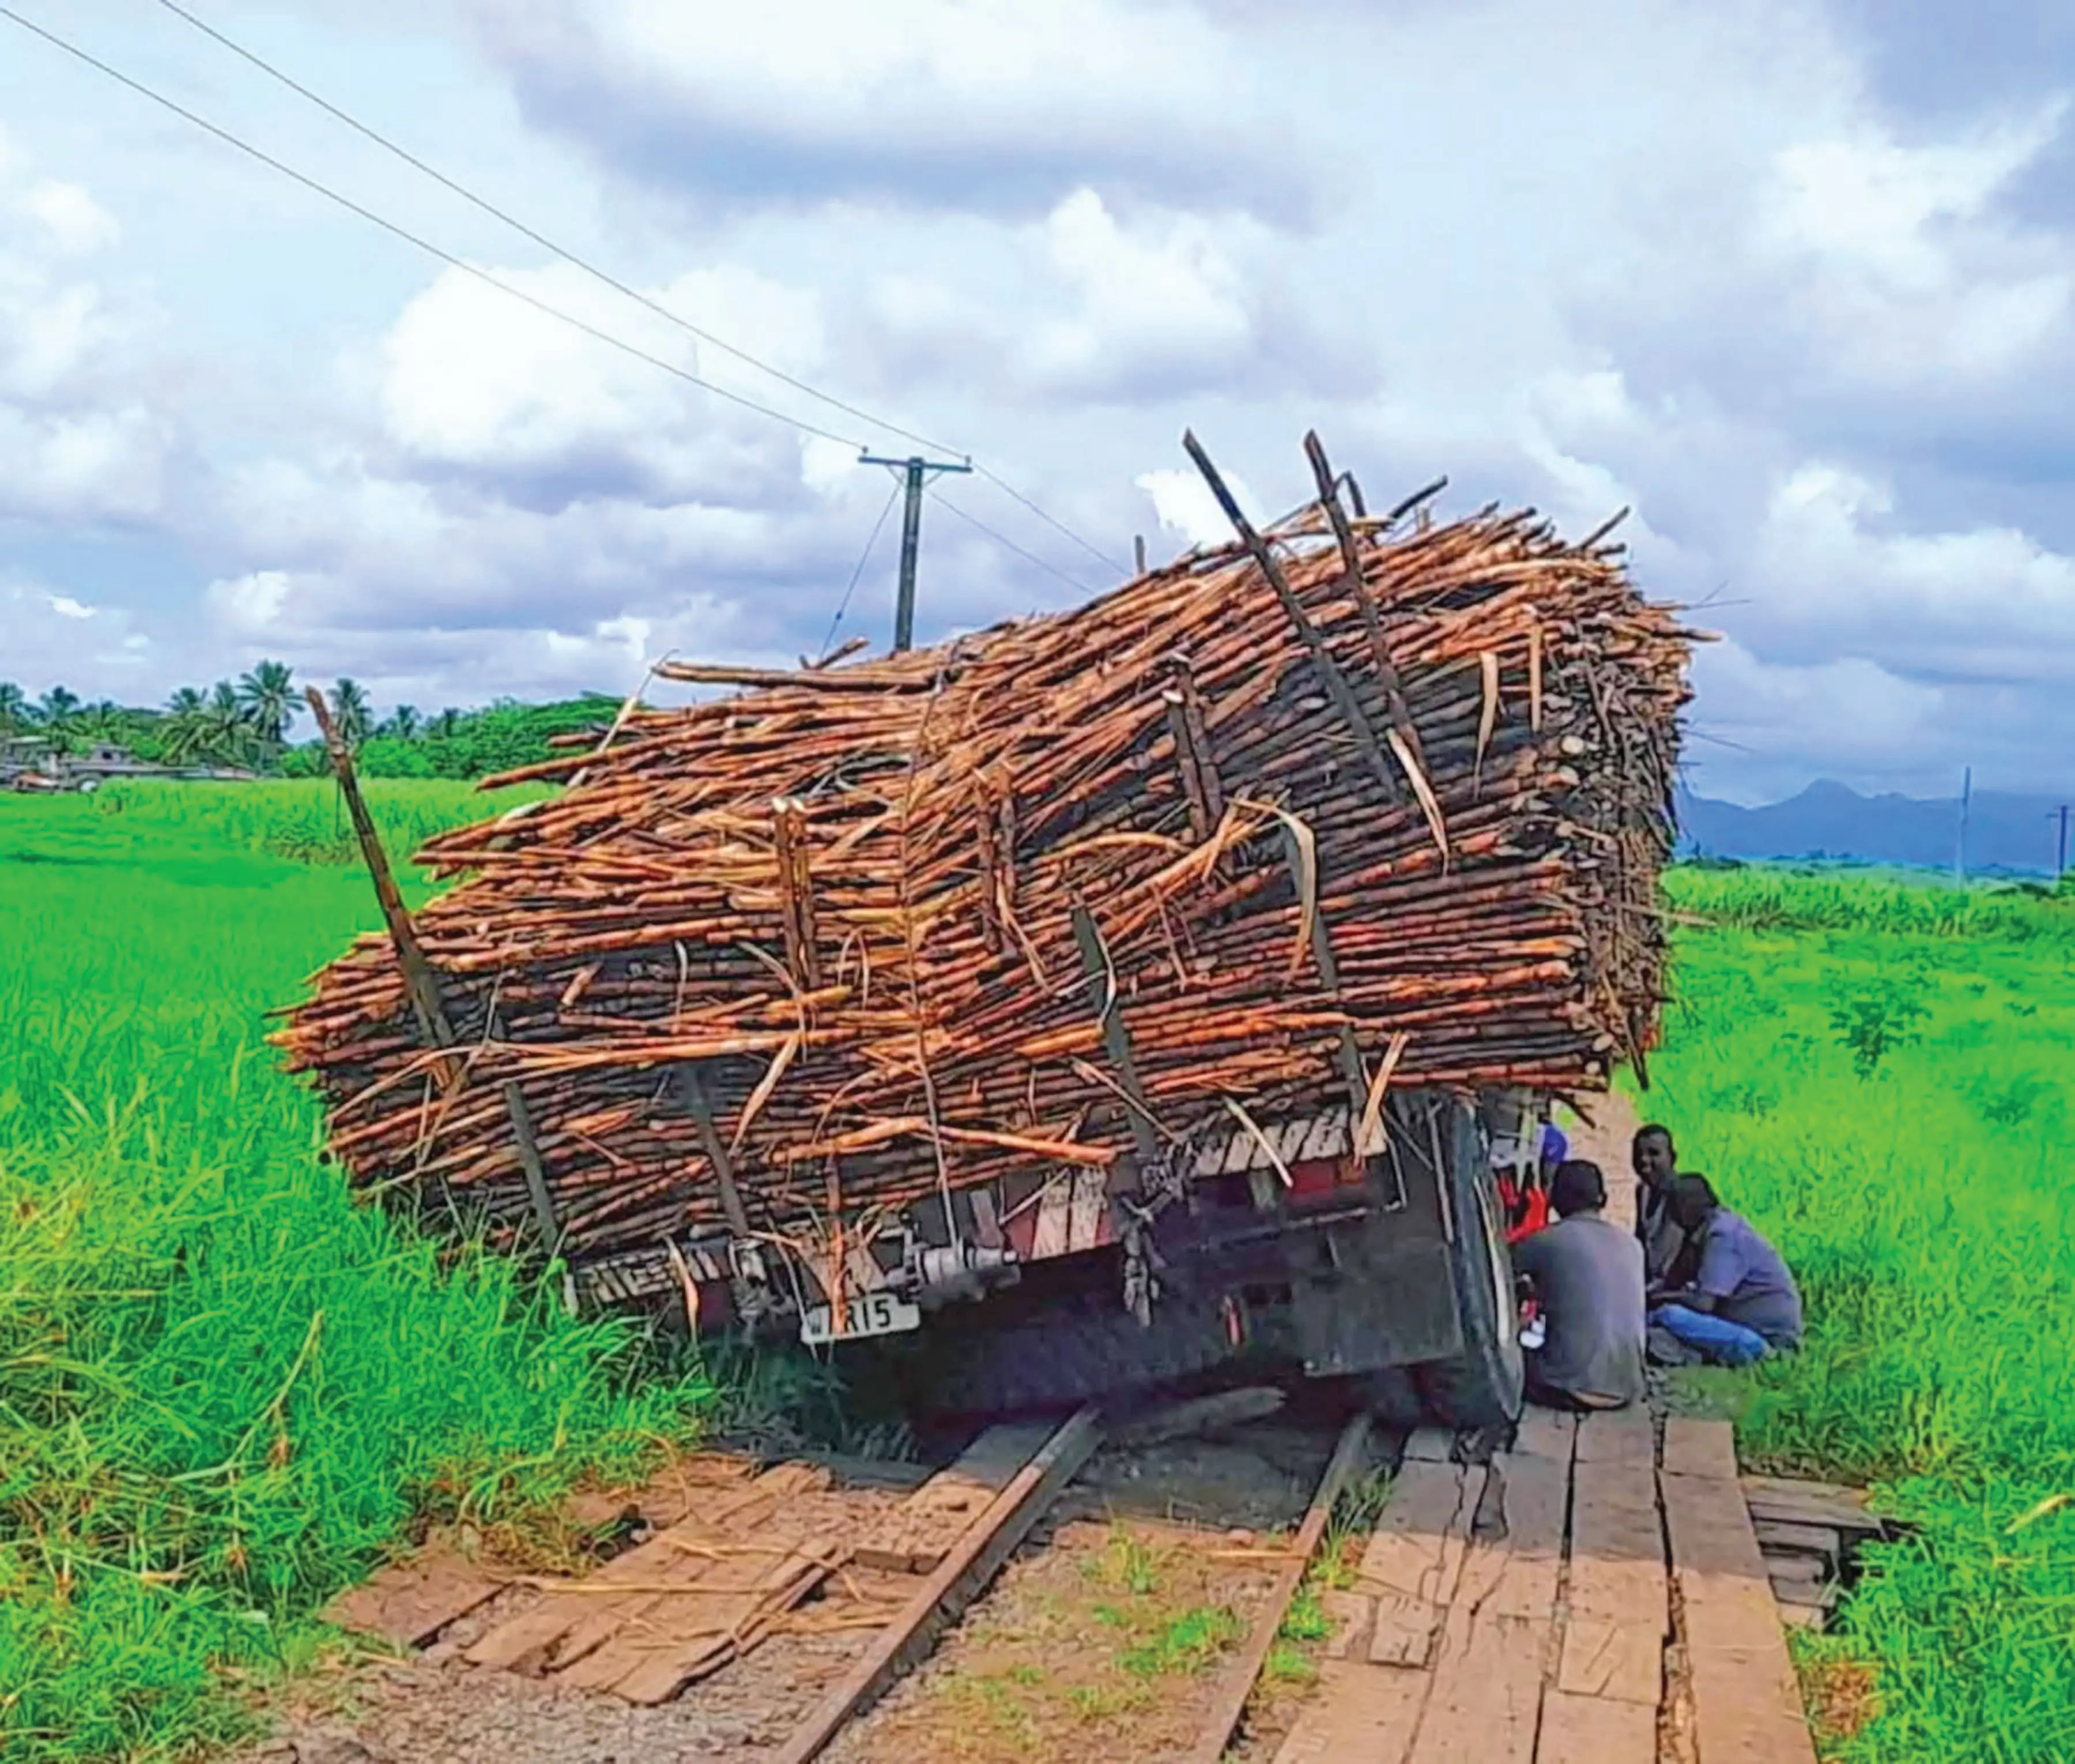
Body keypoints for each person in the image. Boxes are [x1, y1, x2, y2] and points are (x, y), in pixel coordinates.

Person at [1511, 1159, 1647, 1411]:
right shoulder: (1632, 1245)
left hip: (1569, 1387)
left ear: (1553, 1198)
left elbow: (1499, 1272)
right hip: (1628, 1388)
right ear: (1603, 1199)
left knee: (1505, 1358)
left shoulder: (1547, 1240)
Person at [1648, 1175, 1802, 1367]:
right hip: (1747, 1330)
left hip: (1765, 1342)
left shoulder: (1723, 1236)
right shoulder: (1712, 1229)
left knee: (1668, 1315)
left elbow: (1704, 1304)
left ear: (1684, 1208)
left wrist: (1661, 1297)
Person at [1631, 1123, 1687, 1288]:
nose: (1644, 1160)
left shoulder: (1684, 1195)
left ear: (1673, 1158)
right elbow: (1641, 1240)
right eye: (1638, 1154)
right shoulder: (1643, 1191)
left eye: (1654, 1153)